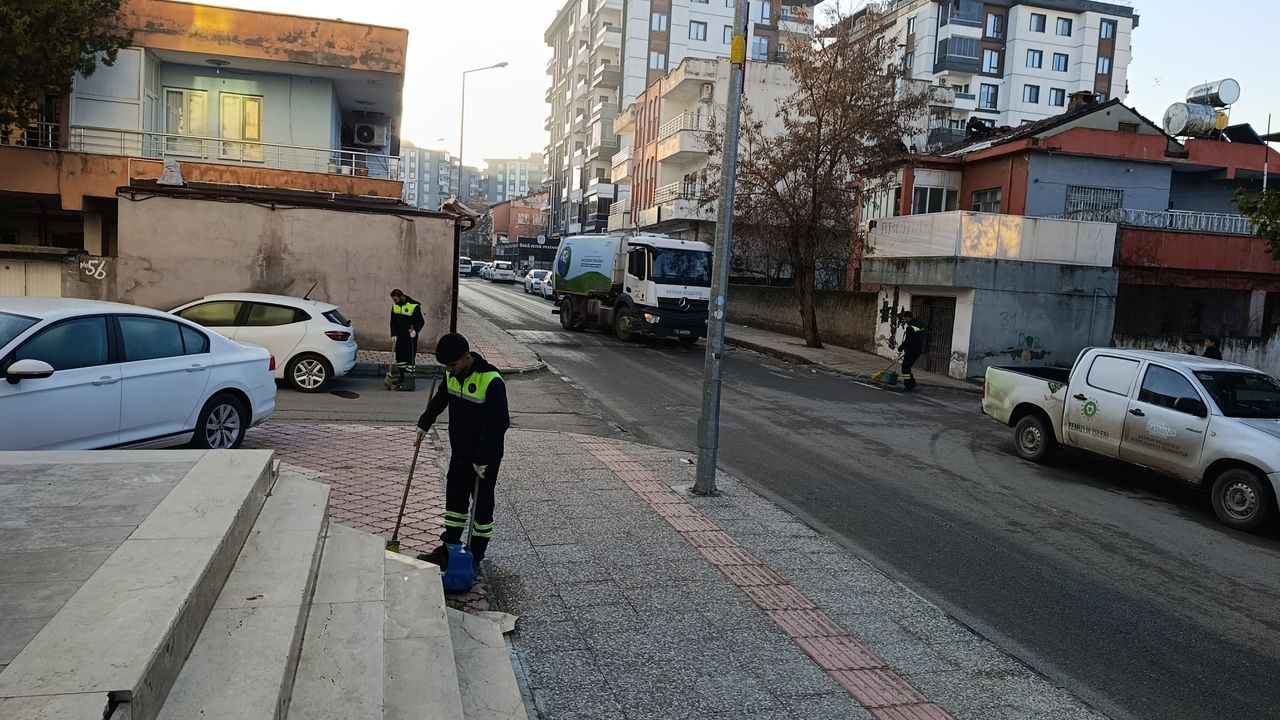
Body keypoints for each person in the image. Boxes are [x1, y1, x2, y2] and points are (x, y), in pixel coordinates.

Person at [416, 333, 510, 572]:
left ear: (467, 357)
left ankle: (475, 555)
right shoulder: (451, 374)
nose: (450, 370)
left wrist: (482, 458)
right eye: (447, 366)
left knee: (481, 506)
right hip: (460, 452)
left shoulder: (491, 380)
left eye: (453, 364)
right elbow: (440, 400)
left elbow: (500, 423)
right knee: (455, 499)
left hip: (484, 457)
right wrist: (424, 423)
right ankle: (449, 548)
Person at [388, 289, 424, 391]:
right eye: (393, 300)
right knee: (400, 358)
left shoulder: (414, 306)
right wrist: (393, 334)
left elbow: (420, 321)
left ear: (401, 297)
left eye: (396, 299)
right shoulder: (395, 306)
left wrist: (415, 331)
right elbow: (393, 321)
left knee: (409, 359)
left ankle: (409, 379)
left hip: (410, 338)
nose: (395, 302)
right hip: (399, 337)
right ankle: (402, 377)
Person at [897, 310, 926, 392]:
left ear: (907, 317)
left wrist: (900, 348)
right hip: (917, 350)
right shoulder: (919, 324)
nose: (904, 321)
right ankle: (912, 382)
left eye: (904, 319)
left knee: (905, 368)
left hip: (911, 350)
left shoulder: (911, 327)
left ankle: (909, 384)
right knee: (907, 367)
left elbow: (908, 340)